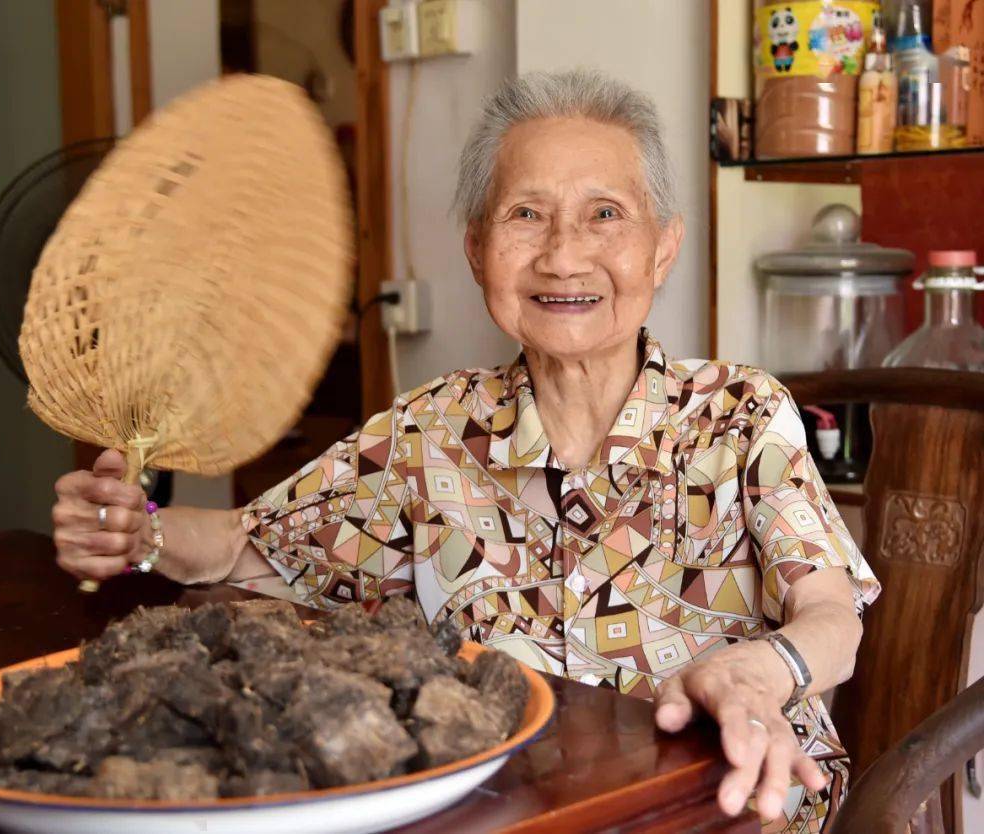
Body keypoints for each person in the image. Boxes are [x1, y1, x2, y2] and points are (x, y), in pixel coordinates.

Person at [52, 69, 879, 831]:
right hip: (511, 813)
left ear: (663, 247)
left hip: (717, 805)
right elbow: (244, 545)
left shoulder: (737, 414)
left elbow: (832, 617)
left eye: (605, 214)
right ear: (478, 249)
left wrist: (759, 674)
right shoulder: (431, 432)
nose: (562, 255)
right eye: (526, 215)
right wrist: (144, 532)